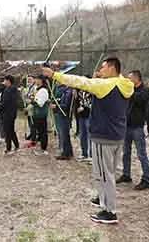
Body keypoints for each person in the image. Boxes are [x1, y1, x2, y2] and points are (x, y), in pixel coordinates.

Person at [42, 58, 134, 225]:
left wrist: (54, 75)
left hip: (103, 136)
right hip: (117, 135)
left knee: (104, 175)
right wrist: (99, 78)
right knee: (108, 173)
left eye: (103, 67)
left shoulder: (105, 85)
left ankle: (110, 212)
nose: (101, 69)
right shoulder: (126, 83)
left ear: (112, 68)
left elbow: (80, 81)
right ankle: (102, 199)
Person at [117, 70, 149, 190]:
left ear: (137, 79)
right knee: (126, 152)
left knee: (141, 154)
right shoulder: (129, 90)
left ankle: (146, 179)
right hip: (126, 126)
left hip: (137, 127)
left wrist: (129, 90)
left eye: (130, 78)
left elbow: (140, 100)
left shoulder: (145, 90)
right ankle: (126, 174)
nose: (128, 80)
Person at [53, 83, 74, 160]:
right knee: (65, 135)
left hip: (65, 115)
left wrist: (57, 106)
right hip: (62, 114)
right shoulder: (65, 91)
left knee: (64, 134)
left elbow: (66, 106)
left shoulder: (68, 92)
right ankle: (69, 152)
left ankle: (66, 153)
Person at [30, 76, 51, 155]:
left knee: (42, 132)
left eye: (37, 79)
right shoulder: (38, 89)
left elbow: (40, 103)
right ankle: (42, 147)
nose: (35, 80)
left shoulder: (43, 90)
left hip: (41, 114)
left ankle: (43, 149)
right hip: (37, 114)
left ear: (41, 81)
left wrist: (32, 101)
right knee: (40, 132)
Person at [0, 75, 20, 154]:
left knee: (8, 131)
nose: (3, 82)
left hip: (7, 113)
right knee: (11, 130)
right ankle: (16, 145)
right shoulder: (13, 89)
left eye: (4, 80)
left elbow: (5, 103)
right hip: (12, 113)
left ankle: (8, 148)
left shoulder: (8, 90)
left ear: (8, 81)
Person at [75, 87, 92, 162]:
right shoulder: (78, 93)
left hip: (89, 116)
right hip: (81, 116)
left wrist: (84, 108)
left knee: (90, 136)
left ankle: (91, 155)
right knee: (82, 135)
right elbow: (77, 104)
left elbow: (92, 105)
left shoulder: (91, 92)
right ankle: (84, 153)